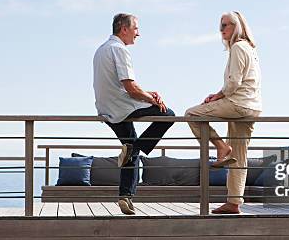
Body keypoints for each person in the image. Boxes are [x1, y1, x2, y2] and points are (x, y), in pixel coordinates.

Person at [93, 13, 175, 215]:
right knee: (168, 115)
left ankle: (125, 196)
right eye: (136, 28)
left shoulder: (101, 49)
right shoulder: (119, 50)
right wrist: (152, 99)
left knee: (130, 145)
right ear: (124, 29)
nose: (138, 33)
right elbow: (129, 88)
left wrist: (147, 93)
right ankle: (132, 150)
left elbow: (120, 85)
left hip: (106, 108)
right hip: (122, 108)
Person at [185, 11, 262, 214]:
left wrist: (219, 95)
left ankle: (220, 147)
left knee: (191, 114)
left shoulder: (237, 47)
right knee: (240, 155)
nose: (223, 29)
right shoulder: (250, 48)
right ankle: (234, 203)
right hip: (252, 107)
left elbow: (234, 83)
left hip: (238, 104)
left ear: (238, 26)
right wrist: (219, 94)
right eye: (221, 26)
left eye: (227, 25)